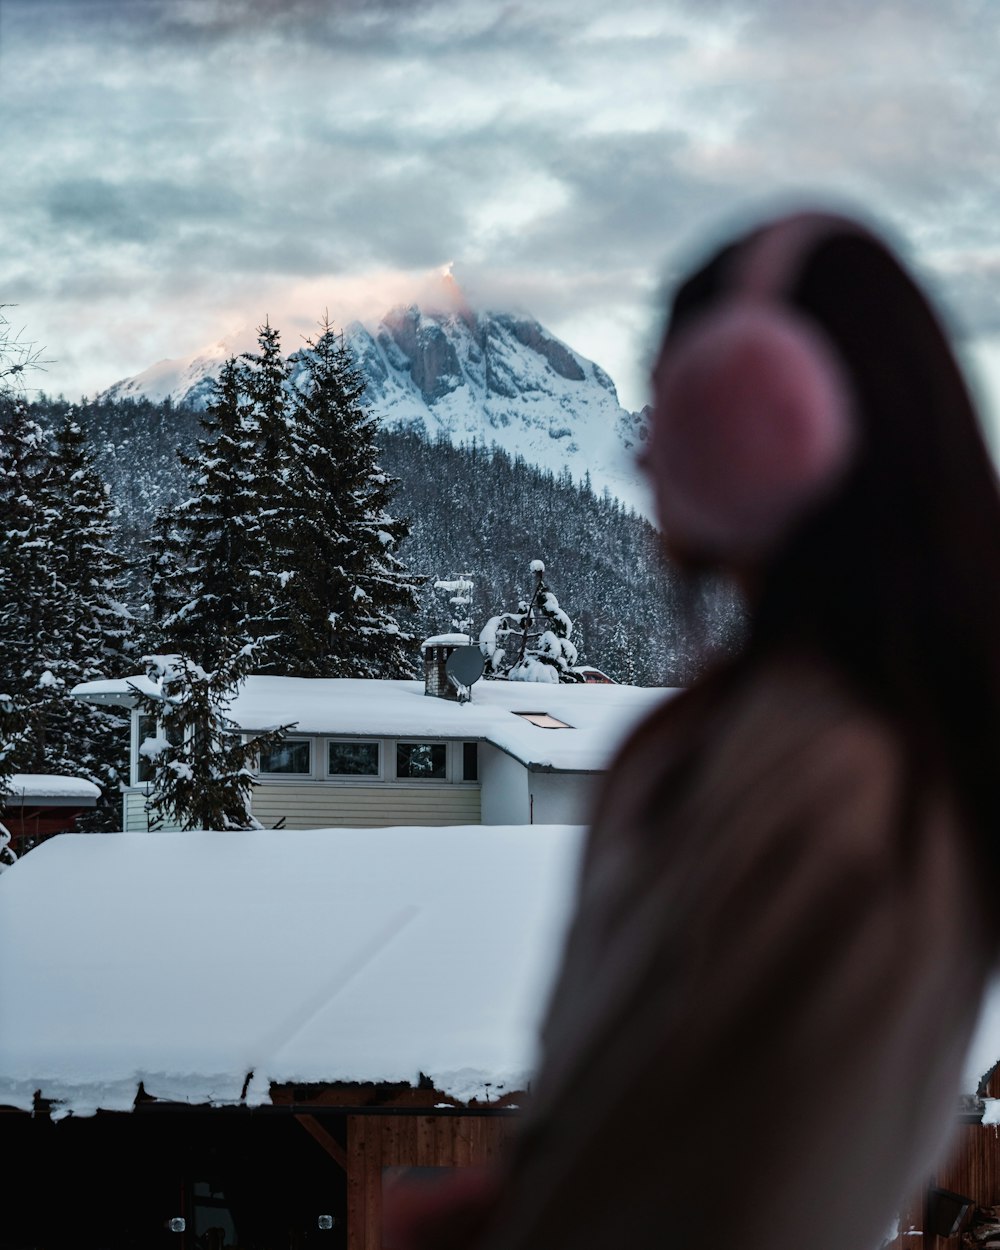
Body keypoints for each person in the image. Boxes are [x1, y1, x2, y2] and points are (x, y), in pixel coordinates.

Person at [388, 209, 1000, 1250]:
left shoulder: (828, 780)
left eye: (678, 404)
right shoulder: (823, 748)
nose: (651, 450)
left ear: (769, 416)